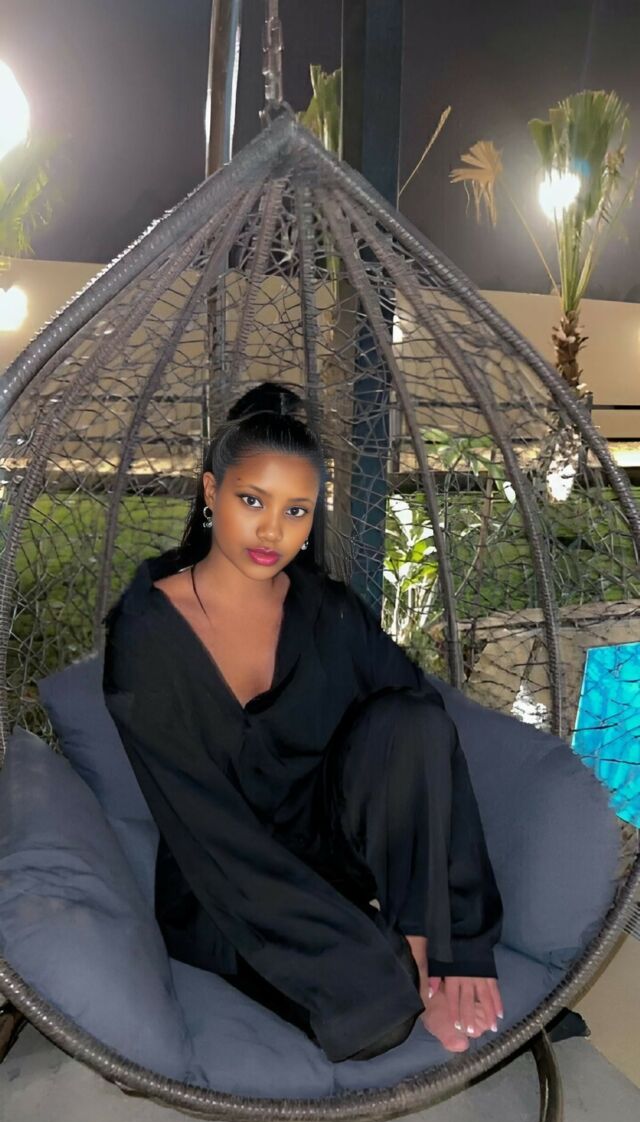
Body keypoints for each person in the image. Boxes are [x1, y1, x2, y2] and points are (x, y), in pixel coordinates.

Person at [103, 382, 503, 1064]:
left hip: (336, 853)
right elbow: (209, 831)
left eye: (296, 510)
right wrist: (360, 952)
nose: (272, 532)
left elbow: (422, 742)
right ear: (211, 492)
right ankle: (385, 958)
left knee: (411, 719)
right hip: (225, 881)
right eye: (252, 501)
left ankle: (411, 943)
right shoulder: (147, 633)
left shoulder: (329, 611)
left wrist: (449, 934)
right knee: (375, 1008)